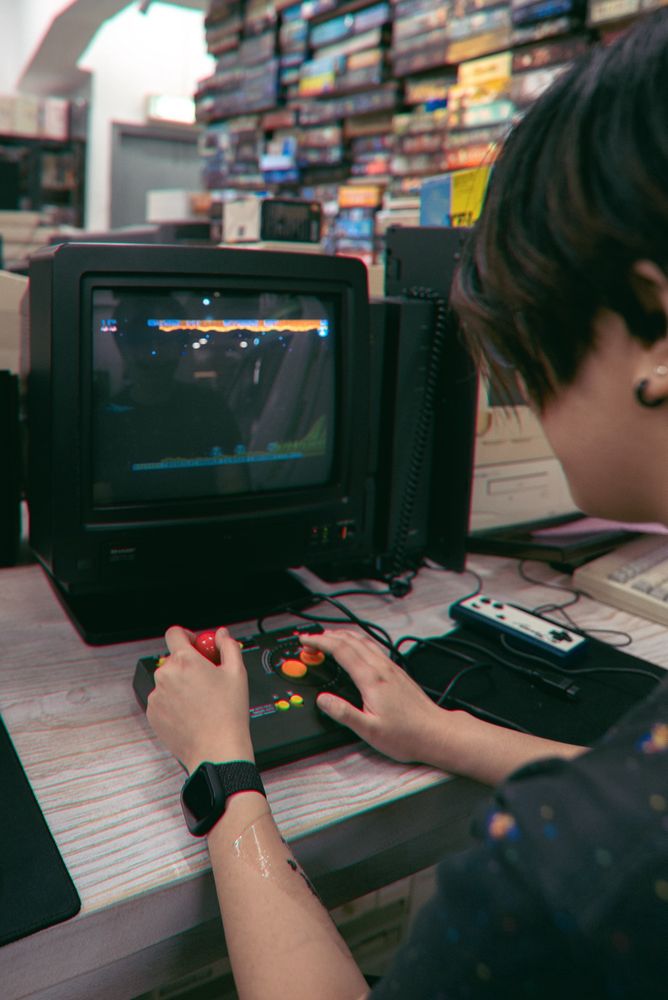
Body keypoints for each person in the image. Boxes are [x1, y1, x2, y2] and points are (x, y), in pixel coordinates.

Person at [145, 12, 668, 999]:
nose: (524, 399)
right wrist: (437, 732)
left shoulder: (551, 874)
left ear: (652, 328)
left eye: (529, 359)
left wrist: (222, 772)